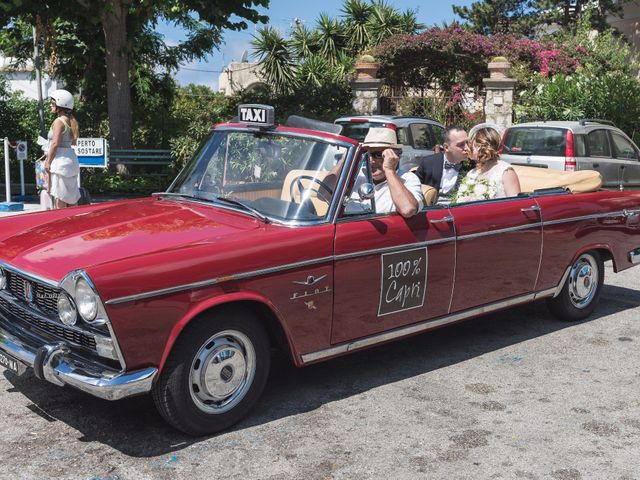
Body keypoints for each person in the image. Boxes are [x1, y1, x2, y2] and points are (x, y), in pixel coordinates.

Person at [326, 128, 423, 217]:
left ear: (394, 155)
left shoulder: (407, 179)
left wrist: (389, 170)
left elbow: (408, 210)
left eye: (378, 155)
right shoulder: (356, 175)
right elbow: (323, 195)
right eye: (367, 154)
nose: (371, 160)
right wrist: (344, 160)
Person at [455, 127, 521, 202]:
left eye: (469, 144)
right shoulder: (472, 173)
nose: (466, 148)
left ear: (480, 146)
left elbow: (515, 204)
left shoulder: (505, 171)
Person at [414, 126, 472, 205]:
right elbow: (414, 189)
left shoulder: (473, 167)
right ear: (446, 147)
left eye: (468, 143)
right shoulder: (429, 163)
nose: (467, 148)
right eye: (461, 144)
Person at [44, 89, 80, 208]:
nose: (51, 105)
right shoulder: (71, 121)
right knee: (71, 197)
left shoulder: (58, 121)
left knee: (60, 197)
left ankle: (61, 224)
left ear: (60, 104)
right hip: (70, 160)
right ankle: (76, 222)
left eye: (53, 103)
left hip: (60, 161)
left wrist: (48, 162)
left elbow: (55, 144)